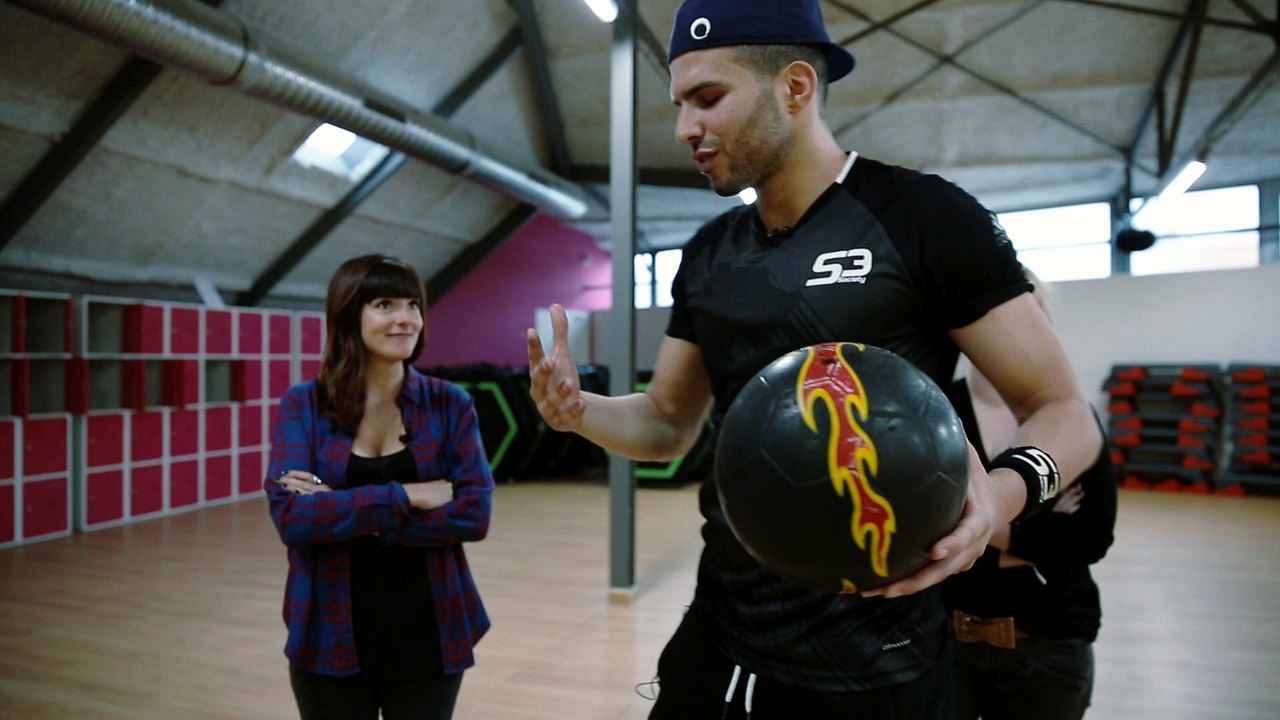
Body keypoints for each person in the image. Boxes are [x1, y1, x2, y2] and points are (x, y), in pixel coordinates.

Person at [527, 0, 1102, 717]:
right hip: (721, 636)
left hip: (879, 656)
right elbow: (670, 422)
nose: (684, 128)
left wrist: (1004, 495)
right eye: (679, 103)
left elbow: (1064, 412)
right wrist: (582, 413)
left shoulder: (923, 218)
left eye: (708, 98)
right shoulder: (710, 255)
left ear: (795, 88)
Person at [266, 254, 493, 720]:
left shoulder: (450, 404)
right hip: (327, 630)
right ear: (350, 315)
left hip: (430, 626)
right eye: (385, 304)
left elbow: (474, 513)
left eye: (413, 304)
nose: (405, 319)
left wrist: (345, 511)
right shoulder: (304, 406)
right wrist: (406, 495)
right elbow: (293, 519)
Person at [943, 274, 1117, 720]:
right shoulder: (937, 412)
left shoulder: (1073, 420)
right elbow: (921, 530)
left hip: (1050, 649)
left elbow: (1090, 537)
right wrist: (1033, 530)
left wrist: (980, 525)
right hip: (944, 644)